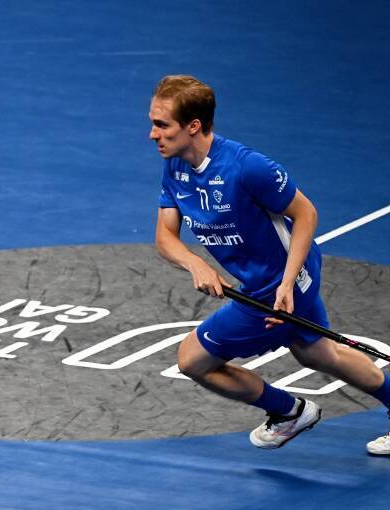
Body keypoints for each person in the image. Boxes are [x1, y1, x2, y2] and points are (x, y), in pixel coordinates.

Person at [150, 75, 390, 454]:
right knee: (318, 353)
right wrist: (195, 263)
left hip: (279, 286)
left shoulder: (247, 167)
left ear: (193, 126)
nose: (153, 134)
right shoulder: (176, 167)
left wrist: (287, 284)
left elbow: (306, 214)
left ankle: (288, 412)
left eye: (162, 125)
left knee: (193, 360)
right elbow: (165, 236)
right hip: (266, 281)